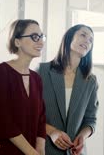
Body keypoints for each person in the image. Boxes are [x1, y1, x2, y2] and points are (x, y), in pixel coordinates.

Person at [0, 19, 46, 155]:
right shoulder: (0, 72)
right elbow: (3, 120)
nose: (41, 42)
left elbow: (41, 119)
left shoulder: (36, 78)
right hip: (1, 151)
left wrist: (40, 149)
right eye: (35, 37)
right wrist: (31, 153)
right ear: (17, 42)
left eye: (42, 36)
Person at [36, 24, 98, 155]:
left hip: (74, 152)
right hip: (43, 149)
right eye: (83, 35)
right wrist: (52, 131)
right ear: (69, 38)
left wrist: (83, 136)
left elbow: (90, 119)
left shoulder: (91, 81)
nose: (88, 41)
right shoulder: (42, 71)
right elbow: (30, 114)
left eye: (91, 40)